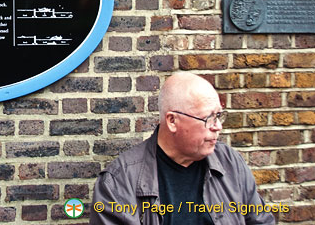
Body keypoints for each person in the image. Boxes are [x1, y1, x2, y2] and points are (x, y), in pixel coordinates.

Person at [90, 72, 276, 224]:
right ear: (172, 121)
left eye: (219, 115)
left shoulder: (230, 163)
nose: (217, 126)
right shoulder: (119, 181)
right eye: (208, 118)